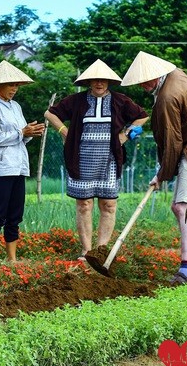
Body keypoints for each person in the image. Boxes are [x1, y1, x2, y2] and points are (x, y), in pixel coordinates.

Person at [121, 51, 187, 285]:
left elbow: (172, 140)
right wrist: (163, 173)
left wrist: (162, 174)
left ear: (157, 74)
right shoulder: (176, 76)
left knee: (181, 207)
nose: (143, 85)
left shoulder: (168, 95)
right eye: (140, 82)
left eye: (146, 80)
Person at [44, 60, 149, 261]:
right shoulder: (76, 100)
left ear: (108, 81)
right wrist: (63, 131)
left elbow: (142, 117)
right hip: (81, 158)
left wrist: (126, 134)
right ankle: (86, 251)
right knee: (84, 204)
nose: (99, 83)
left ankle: (101, 252)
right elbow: (49, 113)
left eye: (103, 80)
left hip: (109, 158)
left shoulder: (120, 100)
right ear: (89, 82)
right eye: (95, 80)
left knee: (108, 204)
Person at [0, 60, 45, 264]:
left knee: (15, 215)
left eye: (16, 85)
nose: (14, 89)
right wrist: (21, 132)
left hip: (18, 166)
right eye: (11, 85)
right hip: (1, 168)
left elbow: (21, 136)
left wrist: (30, 133)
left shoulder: (15, 106)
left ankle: (12, 258)